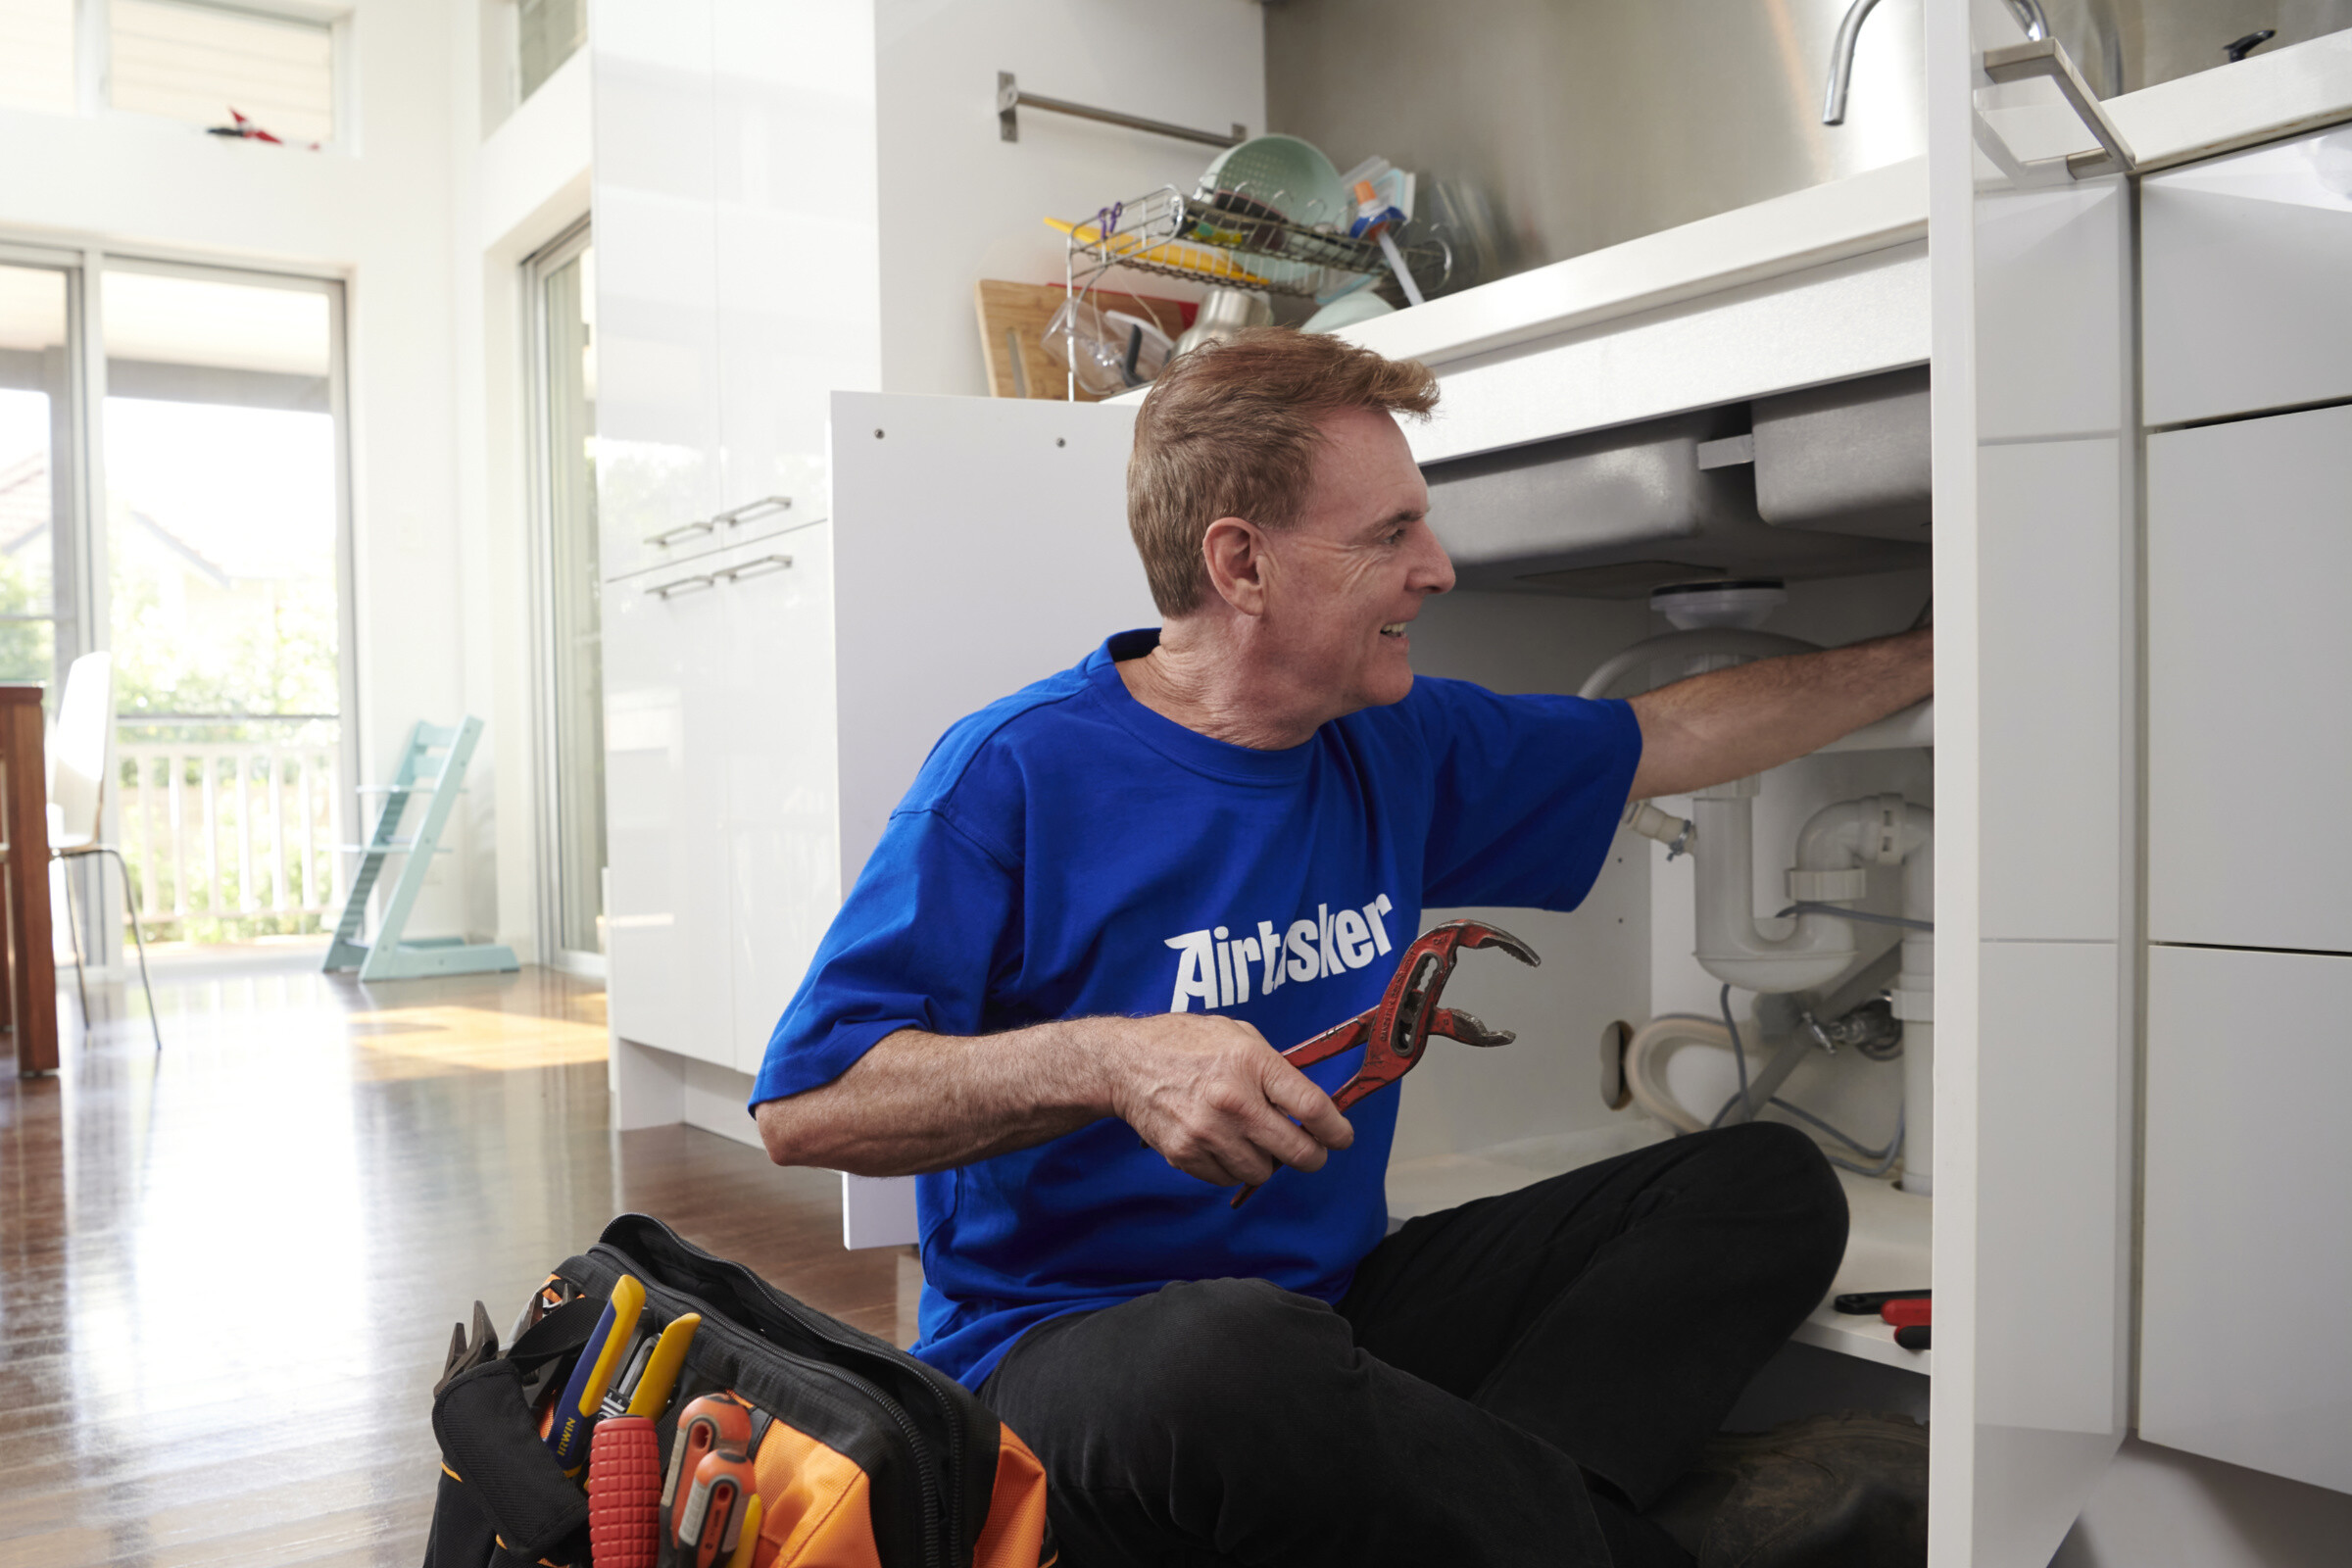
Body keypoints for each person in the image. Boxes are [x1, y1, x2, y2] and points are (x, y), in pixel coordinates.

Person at [751, 329, 1934, 1567]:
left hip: (1336, 1318)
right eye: (1389, 535)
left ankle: (1498, 1528)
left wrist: (1930, 652)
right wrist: (1110, 1060)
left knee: (1759, 1187)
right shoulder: (1015, 774)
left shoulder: (1395, 740)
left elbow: (1666, 735)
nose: (1438, 568)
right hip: (1064, 1362)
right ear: (1241, 562)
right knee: (1229, 1356)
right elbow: (810, 1106)